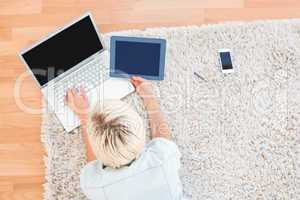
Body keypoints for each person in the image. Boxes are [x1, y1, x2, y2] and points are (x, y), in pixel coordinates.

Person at [65, 76, 183, 200]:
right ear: (141, 134)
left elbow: (92, 163)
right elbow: (163, 138)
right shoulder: (164, 157)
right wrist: (149, 97)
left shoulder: (94, 185)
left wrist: (84, 116)